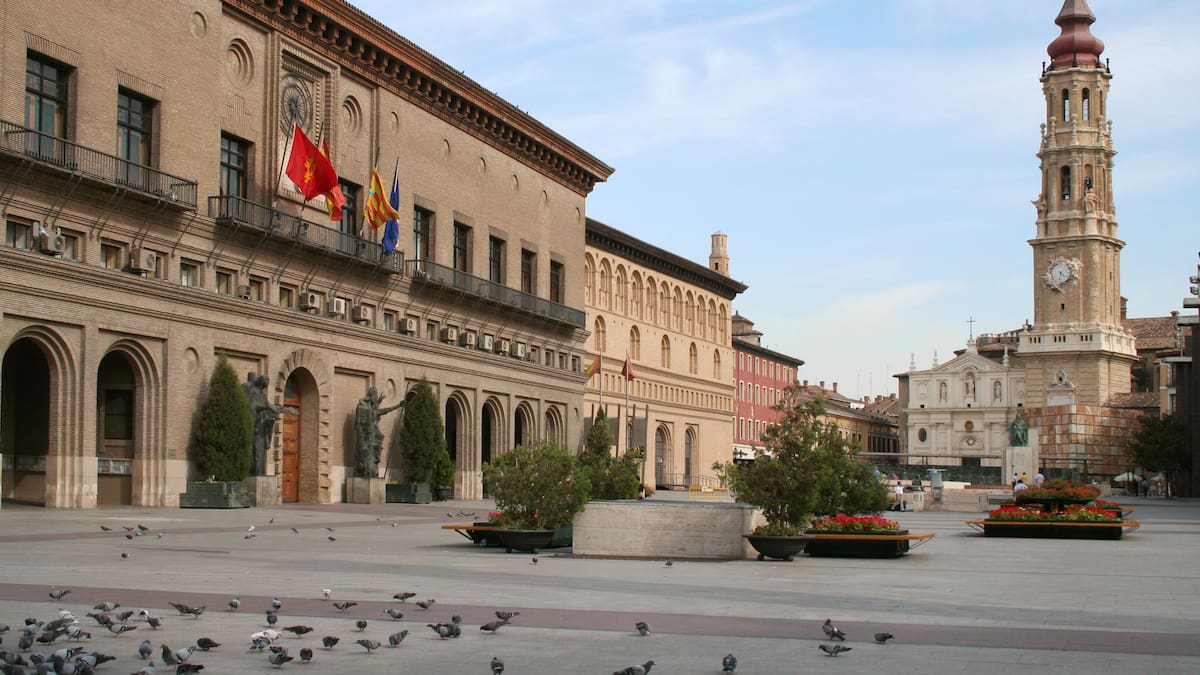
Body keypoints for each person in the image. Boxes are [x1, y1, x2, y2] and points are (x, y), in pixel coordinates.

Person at [353, 387, 405, 479]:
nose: (375, 398)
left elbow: (386, 410)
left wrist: (398, 406)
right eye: (374, 396)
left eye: (376, 396)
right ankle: (364, 473)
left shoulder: (374, 409)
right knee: (364, 457)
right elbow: (358, 425)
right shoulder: (363, 408)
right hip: (365, 438)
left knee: (373, 459)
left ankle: (372, 474)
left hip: (374, 438)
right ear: (370, 397)